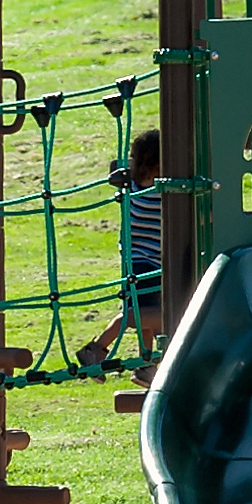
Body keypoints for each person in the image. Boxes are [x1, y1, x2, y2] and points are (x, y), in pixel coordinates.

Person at [79, 128, 166, 368]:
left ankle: (144, 365)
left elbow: (115, 167)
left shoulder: (131, 185)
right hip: (147, 261)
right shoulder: (161, 192)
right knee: (149, 315)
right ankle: (95, 349)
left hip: (135, 259)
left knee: (143, 314)